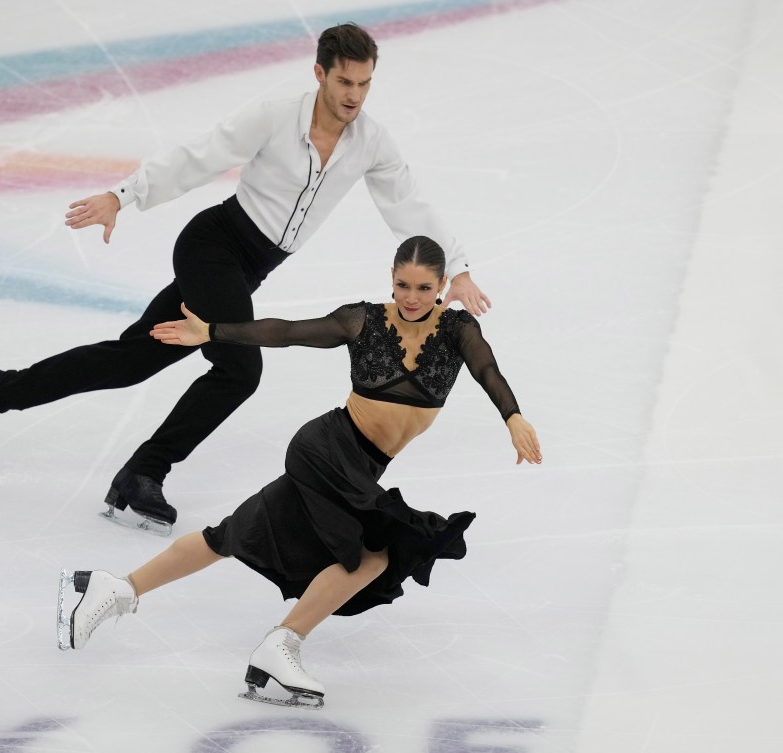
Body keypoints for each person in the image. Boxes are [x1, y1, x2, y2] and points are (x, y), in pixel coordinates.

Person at [0, 23, 490, 531]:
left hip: (247, 268)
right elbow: (198, 157)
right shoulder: (276, 116)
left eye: (365, 84)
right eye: (344, 81)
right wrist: (122, 195)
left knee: (132, 358)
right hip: (213, 247)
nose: (354, 95)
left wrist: (457, 268)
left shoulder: (371, 141)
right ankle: (144, 472)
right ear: (320, 73)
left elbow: (408, 204)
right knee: (239, 368)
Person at [57, 236, 540, 709]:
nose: (411, 298)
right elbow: (286, 331)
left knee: (228, 536)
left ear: (441, 286)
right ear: (391, 281)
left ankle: (115, 588)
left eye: (422, 288)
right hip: (328, 448)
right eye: (402, 285)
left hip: (361, 467)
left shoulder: (457, 332)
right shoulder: (363, 320)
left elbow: (487, 371)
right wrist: (213, 332)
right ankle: (280, 646)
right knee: (376, 553)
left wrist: (513, 416)